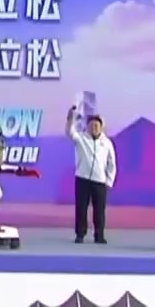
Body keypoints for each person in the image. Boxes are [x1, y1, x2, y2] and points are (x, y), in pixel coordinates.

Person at [66, 105, 116, 244]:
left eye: (96, 126)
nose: (94, 128)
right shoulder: (81, 139)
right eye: (91, 125)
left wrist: (109, 181)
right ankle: (80, 234)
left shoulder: (107, 143)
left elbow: (111, 163)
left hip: (100, 181)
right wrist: (70, 117)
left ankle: (99, 235)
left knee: (99, 211)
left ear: (101, 127)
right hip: (82, 179)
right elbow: (70, 132)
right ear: (87, 127)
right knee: (81, 208)